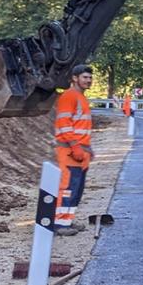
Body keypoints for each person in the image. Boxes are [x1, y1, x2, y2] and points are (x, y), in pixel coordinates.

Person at [54, 64, 94, 236]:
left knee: (76, 189)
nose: (89, 80)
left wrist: (88, 148)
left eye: (90, 78)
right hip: (70, 151)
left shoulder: (81, 97)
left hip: (80, 152)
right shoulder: (69, 97)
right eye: (85, 77)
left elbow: (81, 126)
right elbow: (64, 124)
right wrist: (76, 146)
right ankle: (60, 224)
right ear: (74, 78)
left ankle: (67, 221)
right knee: (68, 188)